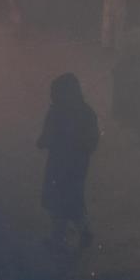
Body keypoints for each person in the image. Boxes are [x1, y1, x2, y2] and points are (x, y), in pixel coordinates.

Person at [37, 72, 99, 249]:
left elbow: (48, 135)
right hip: (70, 164)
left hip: (66, 164)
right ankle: (67, 234)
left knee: (63, 199)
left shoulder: (63, 113)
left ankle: (72, 233)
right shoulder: (83, 112)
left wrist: (43, 141)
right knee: (67, 198)